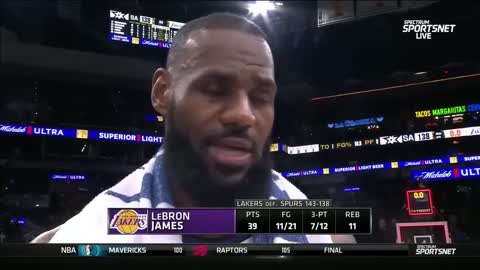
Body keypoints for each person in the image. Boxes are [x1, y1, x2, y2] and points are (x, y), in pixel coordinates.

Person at [32, 13, 351, 244]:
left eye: (260, 96)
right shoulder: (83, 238)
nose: (244, 115)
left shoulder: (328, 236)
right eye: (214, 89)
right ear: (162, 93)